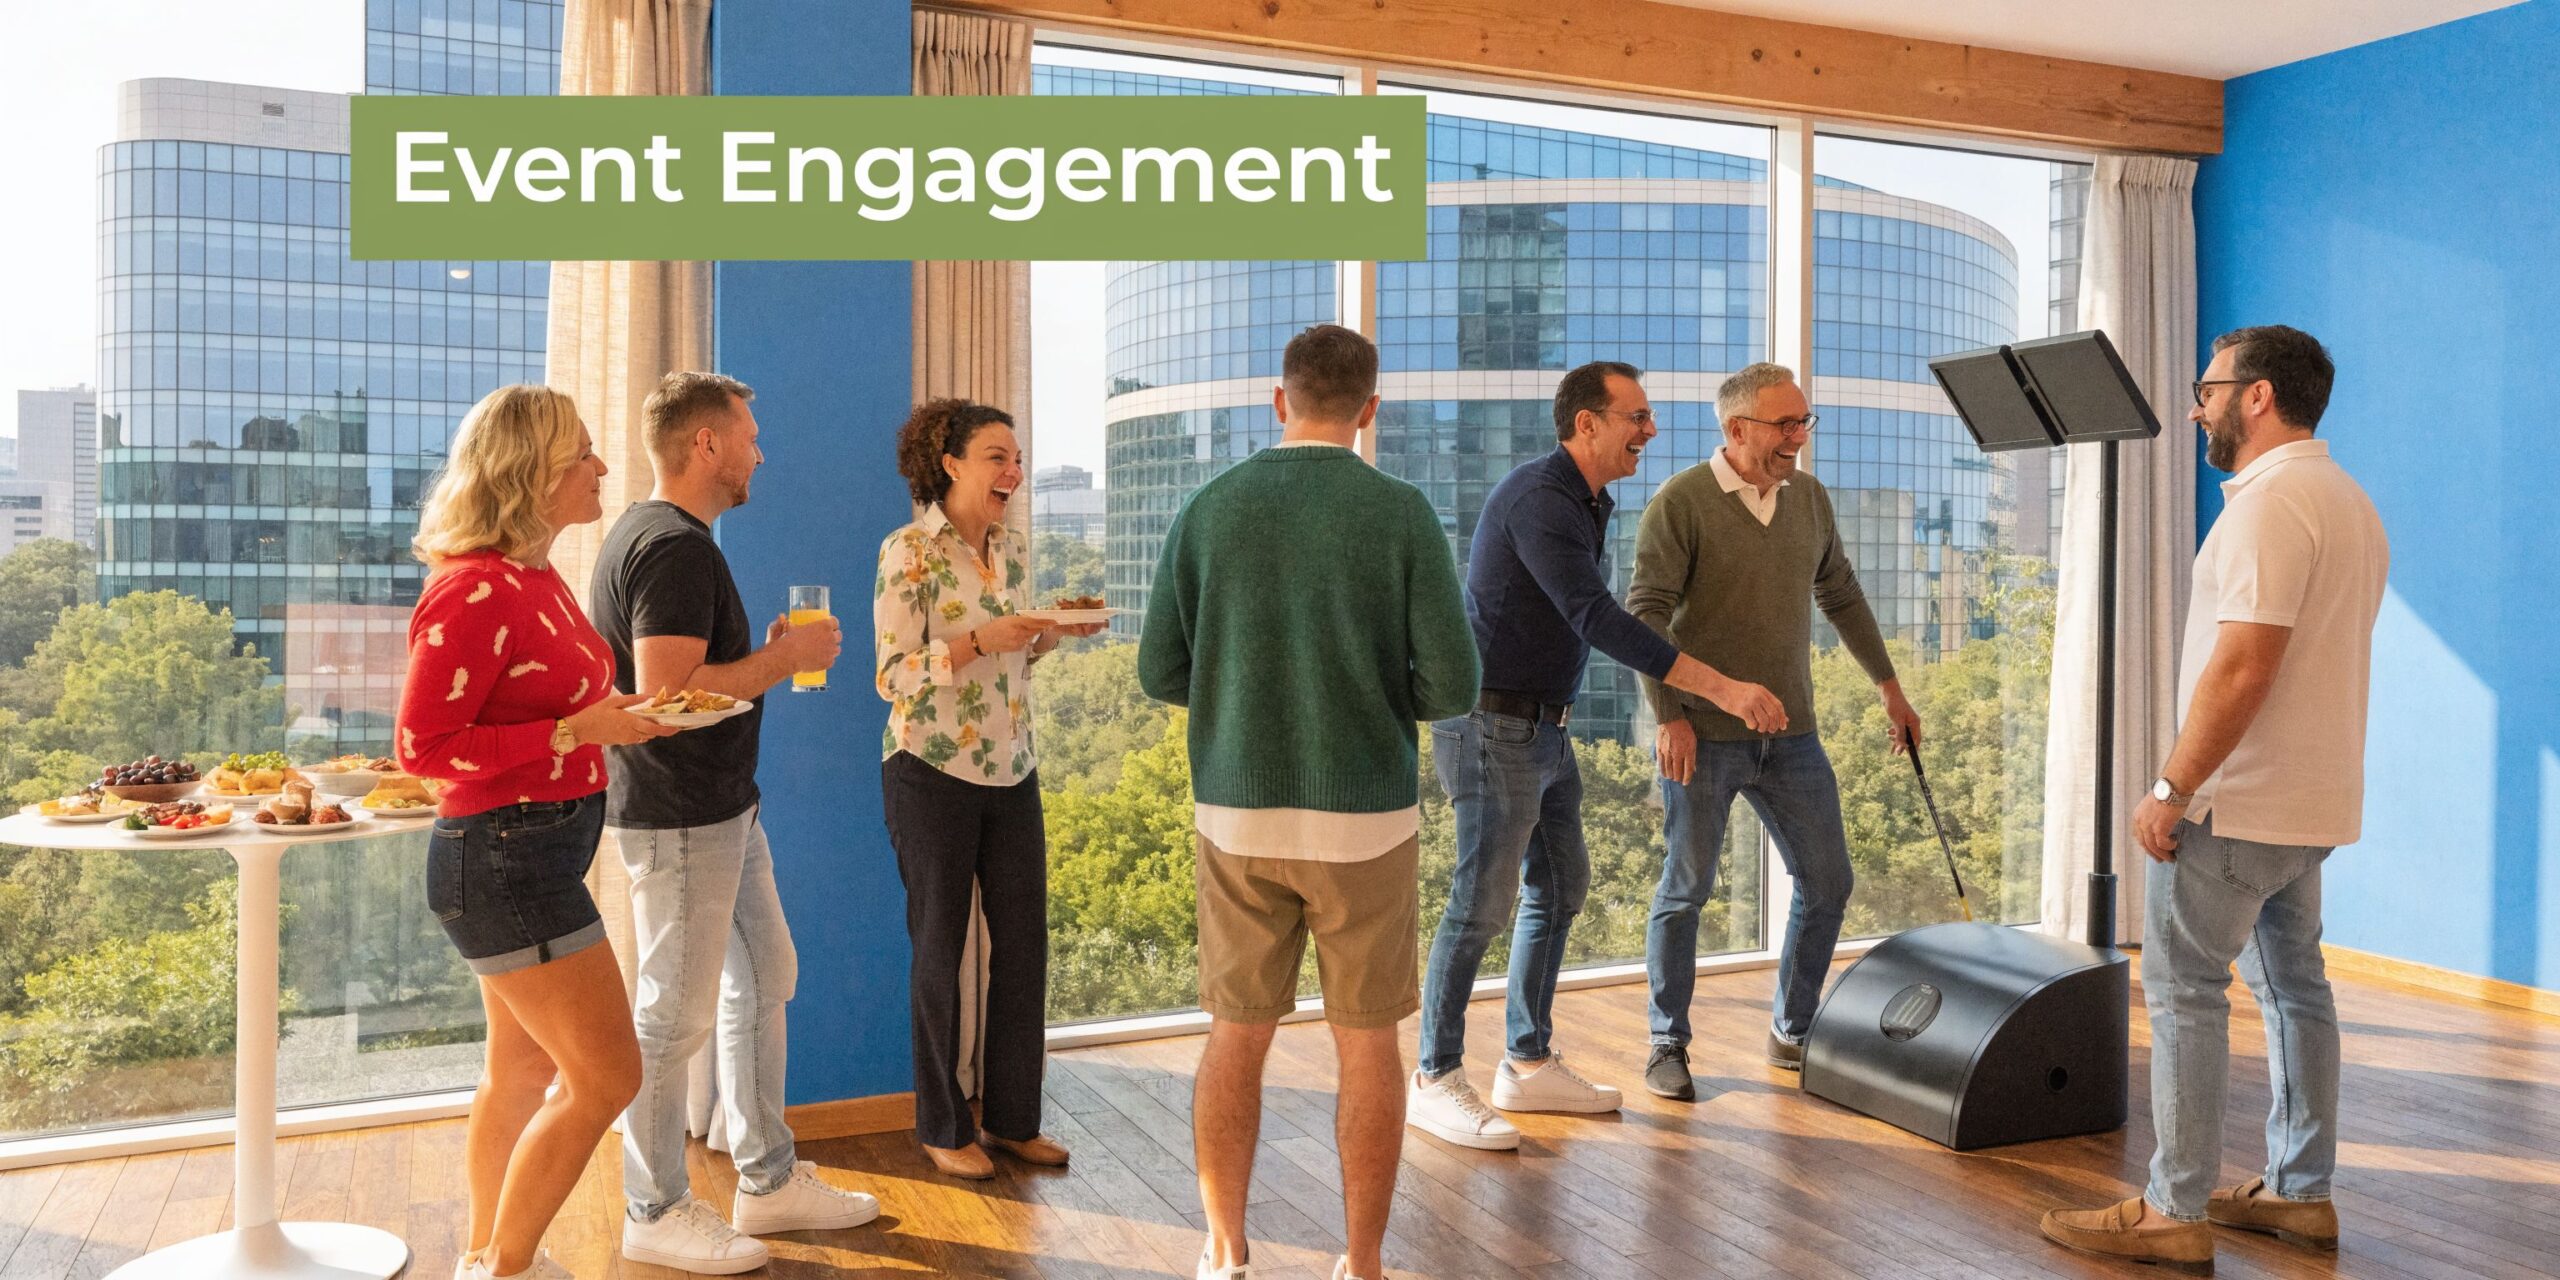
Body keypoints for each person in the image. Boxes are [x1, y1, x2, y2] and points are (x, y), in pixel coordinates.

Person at [1138, 324, 1481, 1280]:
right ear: (1371, 409)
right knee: (1367, 1044)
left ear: (1278, 401)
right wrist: (1370, 698)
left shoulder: (1210, 508)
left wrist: (1242, 696)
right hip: (1366, 821)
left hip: (1238, 817)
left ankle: (1223, 1250)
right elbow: (1453, 685)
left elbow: (1160, 668)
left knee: (1234, 1037)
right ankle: (1362, 1264)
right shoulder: (1402, 513)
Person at [2043, 326, 2386, 1273]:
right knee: (2295, 993)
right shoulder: (2348, 502)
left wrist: (2170, 788)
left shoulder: (2268, 510)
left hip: (2233, 805)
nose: (2198, 406)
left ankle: (2173, 1208)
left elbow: (2243, 668)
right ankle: (2299, 1194)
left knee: (2187, 993)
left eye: (2208, 388)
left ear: (2259, 396)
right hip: (2312, 803)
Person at [1409, 360, 1786, 1151]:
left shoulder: (1588, 501)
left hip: (1543, 728)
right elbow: (1595, 617)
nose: (1649, 430)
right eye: (1635, 417)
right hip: (1490, 726)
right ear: (1587, 423)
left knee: (1562, 882)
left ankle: (1527, 1059)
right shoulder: (1542, 500)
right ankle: (1435, 1076)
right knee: (1479, 903)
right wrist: (1716, 688)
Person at [589, 372, 879, 1274]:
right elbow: (667, 693)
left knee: (766, 975)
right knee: (672, 1015)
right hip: (681, 819)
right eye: (749, 435)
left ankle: (767, 1181)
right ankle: (654, 1207)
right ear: (706, 445)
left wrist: (765, 655)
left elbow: (682, 674)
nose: (761, 451)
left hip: (720, 810)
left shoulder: (662, 538)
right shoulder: (673, 547)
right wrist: (784, 658)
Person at [399, 384, 679, 1280]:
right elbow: (422, 749)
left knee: (519, 1077)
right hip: (505, 860)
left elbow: (557, 705)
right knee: (609, 1080)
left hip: (534, 850)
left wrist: (610, 716)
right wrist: (572, 732)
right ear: (536, 471)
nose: (603, 467)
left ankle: (482, 1253)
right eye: (586, 453)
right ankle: (506, 1269)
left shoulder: (535, 576)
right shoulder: (473, 589)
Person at [1627, 361, 1921, 1099]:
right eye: (1785, 424)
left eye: (1803, 421)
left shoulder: (1810, 499)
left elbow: (1843, 596)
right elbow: (1644, 618)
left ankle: (1793, 1029)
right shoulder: (1682, 503)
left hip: (1791, 735)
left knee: (1828, 881)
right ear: (1736, 429)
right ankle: (1668, 1042)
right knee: (1686, 889)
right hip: (1701, 733)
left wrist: (1891, 690)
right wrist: (1670, 717)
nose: (1799, 436)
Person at [873, 399, 1100, 1180]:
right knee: (938, 952)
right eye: (998, 456)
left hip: (1012, 770)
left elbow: (1010, 663)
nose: (1014, 471)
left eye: (1017, 458)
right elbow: (892, 675)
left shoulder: (1011, 551)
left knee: (1024, 947)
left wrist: (1038, 640)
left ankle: (1011, 1121)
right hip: (929, 771)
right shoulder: (908, 551)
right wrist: (977, 640)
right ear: (952, 464)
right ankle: (942, 1127)